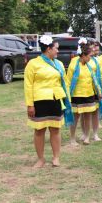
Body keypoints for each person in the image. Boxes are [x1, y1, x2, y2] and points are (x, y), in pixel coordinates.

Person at [24, 35, 74, 168]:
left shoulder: (59, 64)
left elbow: (64, 83)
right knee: (39, 131)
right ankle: (40, 159)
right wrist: (30, 104)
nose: (58, 51)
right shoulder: (33, 63)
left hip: (56, 100)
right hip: (39, 101)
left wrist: (67, 98)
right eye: (56, 48)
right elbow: (28, 85)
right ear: (48, 49)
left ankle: (56, 157)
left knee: (55, 129)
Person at [66, 38, 102, 146]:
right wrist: (67, 96)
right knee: (75, 117)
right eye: (89, 56)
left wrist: (99, 92)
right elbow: (68, 82)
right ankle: (72, 138)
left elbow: (94, 80)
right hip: (77, 95)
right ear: (83, 55)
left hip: (89, 94)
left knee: (88, 116)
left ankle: (87, 136)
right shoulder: (74, 65)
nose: (91, 58)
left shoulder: (89, 66)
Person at [85, 40, 102, 142]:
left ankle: (95, 134)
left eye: (94, 47)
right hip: (87, 90)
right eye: (92, 47)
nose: (94, 49)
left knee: (95, 112)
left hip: (96, 90)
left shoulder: (97, 60)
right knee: (85, 114)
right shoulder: (84, 59)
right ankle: (85, 134)